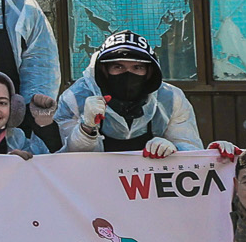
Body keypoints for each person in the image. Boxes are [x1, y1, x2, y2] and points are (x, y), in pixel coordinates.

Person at [55, 30, 204, 156]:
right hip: (94, 185)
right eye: (118, 67)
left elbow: (191, 151)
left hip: (149, 185)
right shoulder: (75, 98)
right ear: (104, 71)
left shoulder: (170, 99)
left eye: (137, 68)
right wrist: (86, 128)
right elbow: (67, 158)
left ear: (149, 72)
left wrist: (173, 150)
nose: (128, 75)